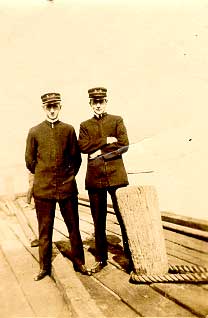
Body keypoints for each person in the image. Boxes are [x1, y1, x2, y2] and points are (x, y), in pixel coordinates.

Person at [25, 92, 91, 281]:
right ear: (44, 108)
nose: (52, 110)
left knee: (73, 228)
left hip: (67, 189)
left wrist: (67, 178)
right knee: (44, 232)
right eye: (48, 107)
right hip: (43, 191)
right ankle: (44, 267)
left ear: (60, 107)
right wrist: (43, 177)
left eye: (55, 106)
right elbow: (30, 161)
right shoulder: (34, 131)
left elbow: (76, 159)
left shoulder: (69, 130)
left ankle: (79, 263)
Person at [78, 87, 132, 273]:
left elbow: (124, 145)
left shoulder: (117, 120)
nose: (98, 105)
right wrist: (106, 140)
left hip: (117, 177)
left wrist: (99, 152)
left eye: (101, 102)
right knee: (98, 220)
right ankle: (101, 259)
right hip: (95, 179)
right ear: (90, 104)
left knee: (124, 217)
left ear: (106, 102)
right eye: (95, 102)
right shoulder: (85, 125)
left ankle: (131, 257)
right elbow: (83, 147)